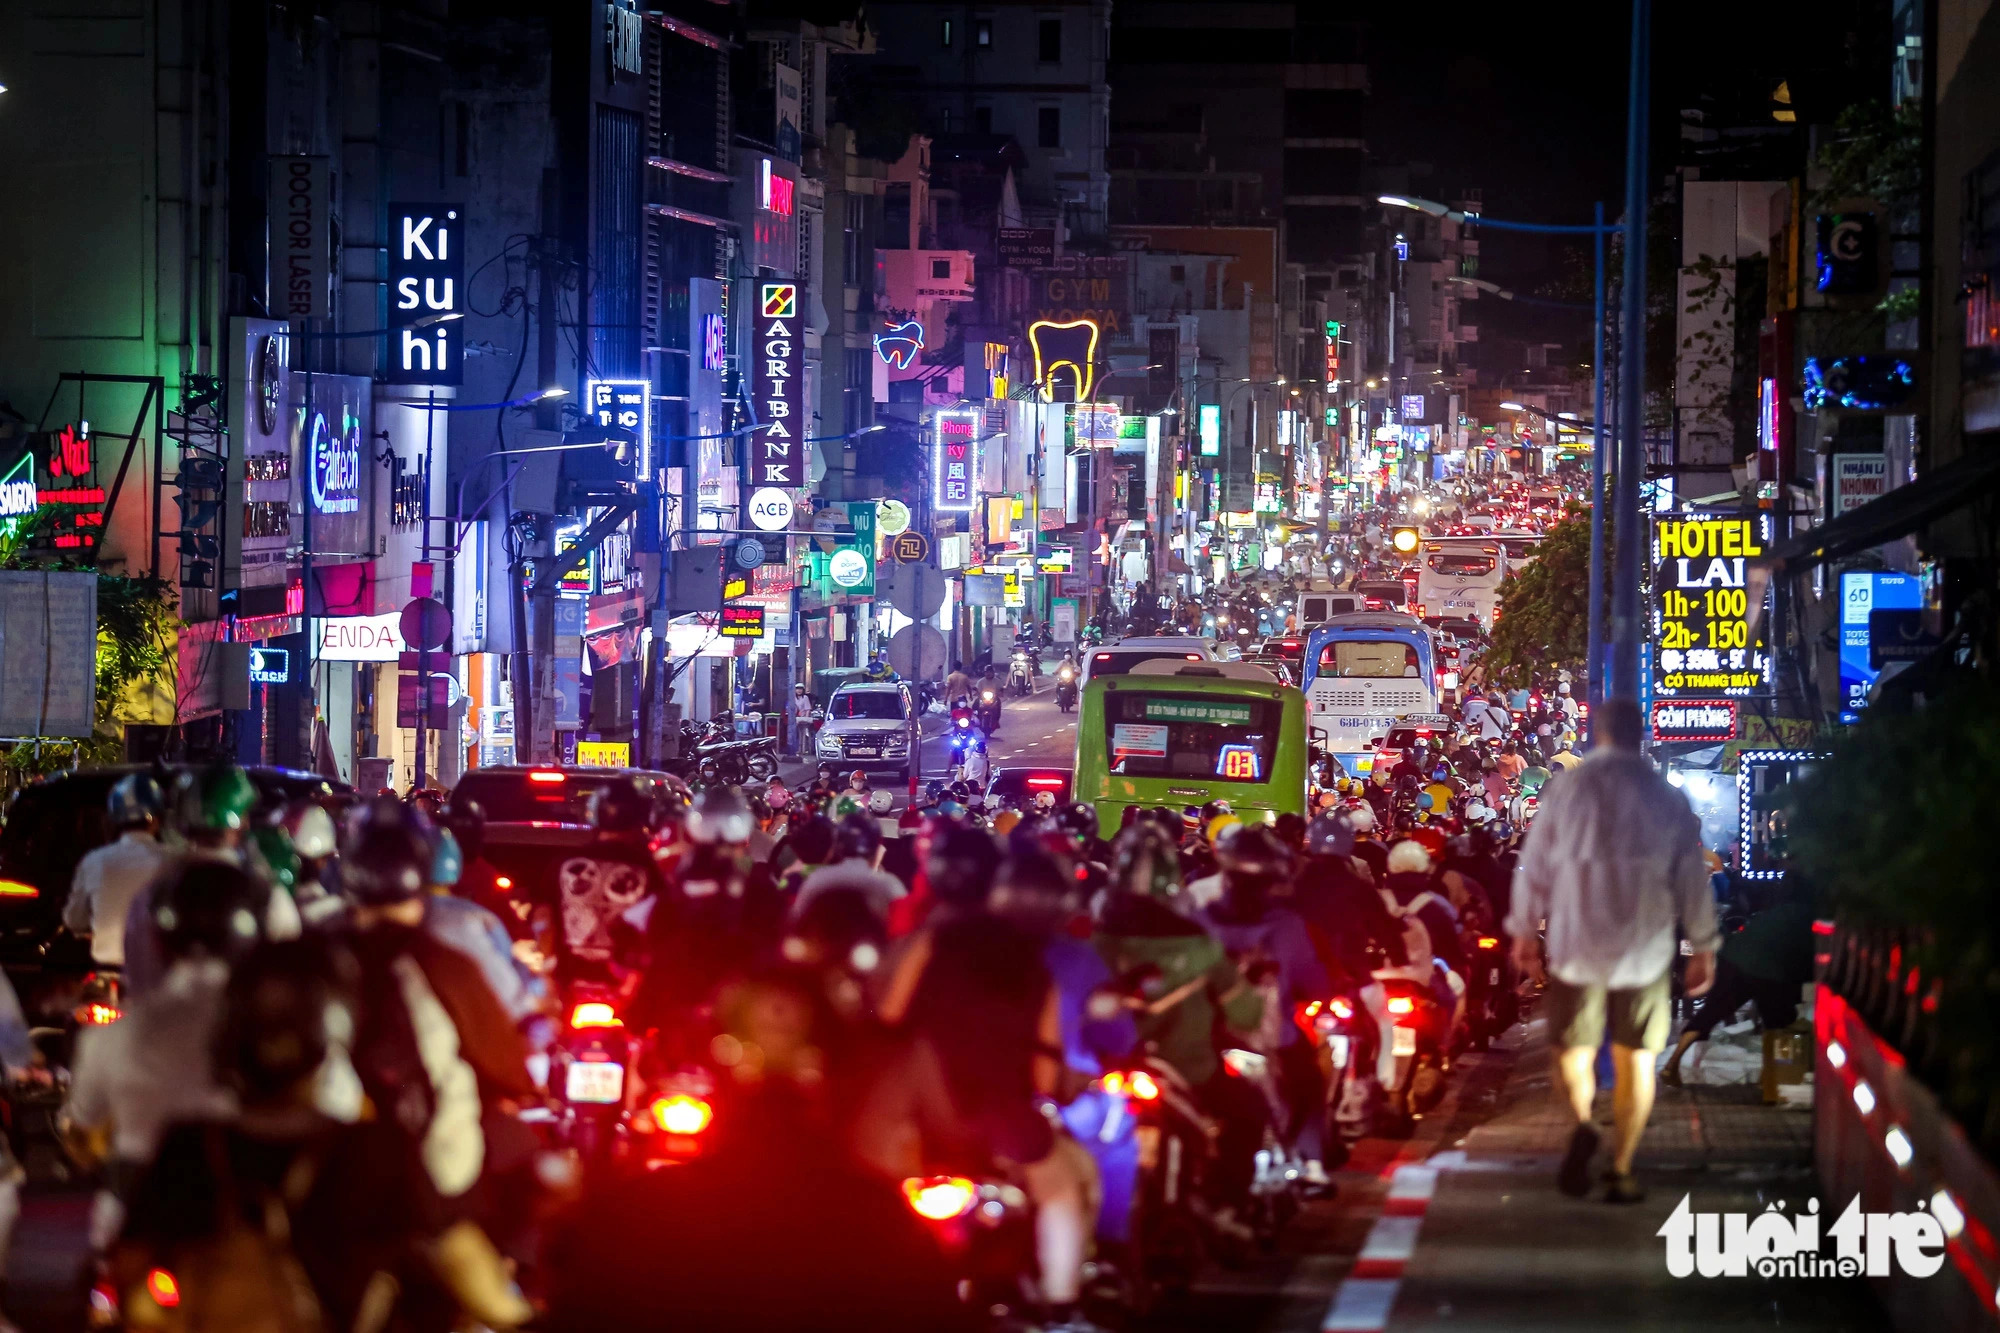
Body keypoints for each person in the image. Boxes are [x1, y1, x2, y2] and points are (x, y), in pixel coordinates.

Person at [871, 827, 1098, 1332]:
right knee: (1064, 1187)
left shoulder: (921, 942)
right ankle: (1062, 1311)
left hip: (918, 1120)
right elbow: (1046, 1058)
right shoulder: (1027, 957)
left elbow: (886, 1021)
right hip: (1000, 1119)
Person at [1505, 697, 1718, 1204]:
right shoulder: (1665, 798)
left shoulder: (1567, 790)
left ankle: (1581, 1122)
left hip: (1577, 945)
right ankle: (1621, 1169)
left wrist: (1522, 934)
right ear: (1637, 735)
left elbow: (1532, 867)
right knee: (1637, 1060)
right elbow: (1690, 876)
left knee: (1572, 1052)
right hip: (1644, 949)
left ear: (1598, 733)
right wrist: (1704, 946)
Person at [66, 859, 275, 1249]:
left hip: (136, 1219)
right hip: (245, 1227)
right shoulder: (276, 1031)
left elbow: (82, 1121)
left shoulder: (111, 1038)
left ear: (160, 938)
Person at [1200, 825, 1334, 1184]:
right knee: (1309, 1081)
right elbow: (1316, 983)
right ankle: (1310, 1161)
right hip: (1273, 1040)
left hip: (1209, 1043)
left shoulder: (1203, 921)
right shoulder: (1288, 926)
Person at [1661, 884, 1815, 1086]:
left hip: (1734, 959)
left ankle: (1672, 1064)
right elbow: (1807, 962)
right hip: (1768, 970)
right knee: (1780, 1024)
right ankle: (1775, 1077)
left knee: (1710, 1013)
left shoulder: (1776, 913)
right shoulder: (1810, 919)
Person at [64, 774, 169, 970]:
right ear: (156, 819)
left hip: (105, 969)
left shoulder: (94, 860)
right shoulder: (173, 861)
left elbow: (73, 920)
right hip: (154, 973)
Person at [788, 681, 819, 756]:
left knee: (804, 733)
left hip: (803, 718)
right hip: (795, 718)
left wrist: (806, 717)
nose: (799, 690)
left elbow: (808, 709)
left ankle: (804, 749)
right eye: (797, 689)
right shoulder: (792, 698)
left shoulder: (805, 698)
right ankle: (797, 749)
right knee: (796, 733)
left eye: (800, 689)